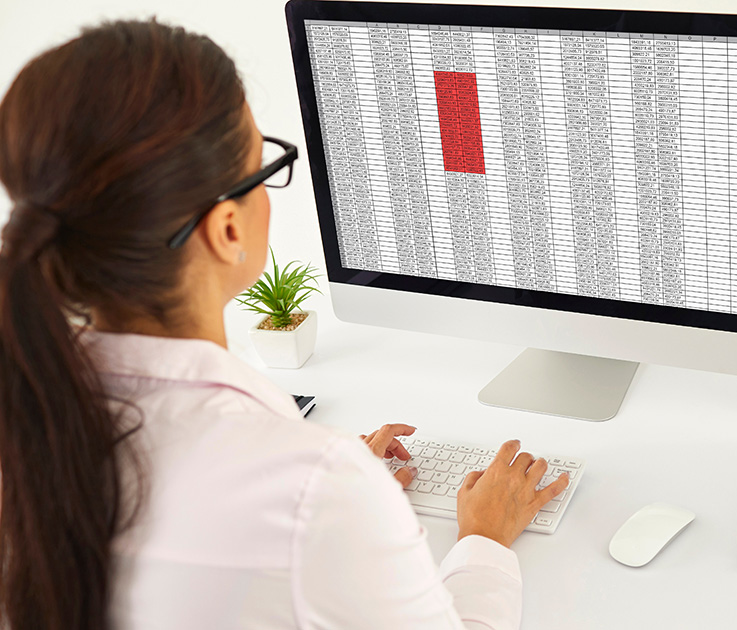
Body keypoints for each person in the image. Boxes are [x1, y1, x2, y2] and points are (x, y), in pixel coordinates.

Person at [0, 19, 567, 630]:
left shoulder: (26, 419)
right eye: (263, 164)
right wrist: (484, 539)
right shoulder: (313, 491)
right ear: (228, 230)